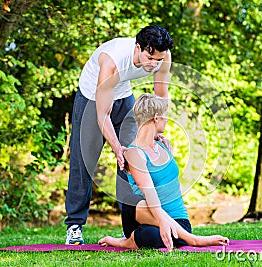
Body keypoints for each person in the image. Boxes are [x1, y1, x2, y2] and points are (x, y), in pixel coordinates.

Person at [65, 26, 174, 245]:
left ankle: (131, 228)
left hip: (124, 96)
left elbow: (161, 98)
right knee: (84, 161)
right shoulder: (112, 62)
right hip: (92, 100)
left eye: (158, 59)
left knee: (133, 159)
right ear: (138, 48)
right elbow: (102, 115)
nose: (154, 64)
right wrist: (117, 149)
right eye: (149, 57)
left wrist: (157, 131)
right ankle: (75, 226)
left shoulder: (164, 57)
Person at [98, 94, 229, 250]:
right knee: (132, 200)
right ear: (156, 118)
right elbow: (150, 195)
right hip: (146, 215)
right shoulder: (134, 153)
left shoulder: (164, 146)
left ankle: (132, 241)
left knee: (151, 236)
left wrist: (168, 224)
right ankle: (192, 240)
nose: (167, 120)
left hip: (179, 222)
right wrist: (167, 224)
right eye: (165, 116)